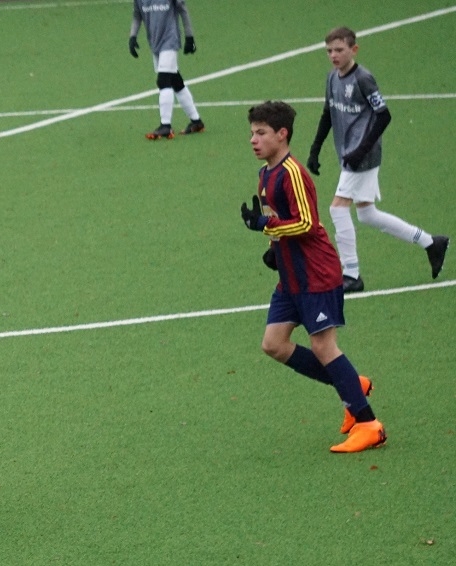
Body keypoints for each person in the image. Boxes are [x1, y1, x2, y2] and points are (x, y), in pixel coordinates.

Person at [239, 100, 385, 453]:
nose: (253, 140)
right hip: (291, 277)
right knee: (274, 344)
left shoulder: (292, 173)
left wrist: (268, 225)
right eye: (252, 133)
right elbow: (278, 217)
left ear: (282, 134)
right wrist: (272, 244)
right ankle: (351, 384)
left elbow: (306, 222)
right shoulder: (265, 175)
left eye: (261, 133)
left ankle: (369, 425)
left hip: (315, 274)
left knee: (323, 346)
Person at [307, 27, 448, 293]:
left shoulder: (363, 78)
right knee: (367, 214)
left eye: (339, 50)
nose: (334, 55)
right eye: (329, 51)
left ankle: (351, 274)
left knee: (338, 209)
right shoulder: (332, 78)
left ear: (354, 49)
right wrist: (315, 149)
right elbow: (328, 113)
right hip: (349, 154)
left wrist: (361, 150)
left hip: (363, 155)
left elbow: (384, 115)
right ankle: (431, 242)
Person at [128, 0, 204, 140]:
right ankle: (196, 121)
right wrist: (132, 36)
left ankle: (165, 125)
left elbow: (182, 9)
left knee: (163, 80)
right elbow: (137, 16)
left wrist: (189, 37)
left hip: (170, 40)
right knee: (175, 81)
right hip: (155, 43)